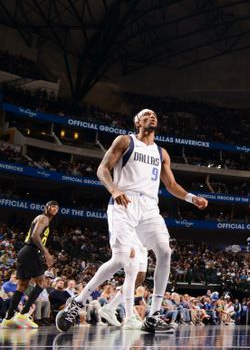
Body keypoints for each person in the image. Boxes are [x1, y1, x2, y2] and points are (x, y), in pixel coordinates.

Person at [56, 109, 208, 334]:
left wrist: (191, 198)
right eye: (146, 115)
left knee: (165, 252)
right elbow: (102, 169)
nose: (152, 116)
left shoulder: (161, 153)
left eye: (154, 115)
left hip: (149, 207)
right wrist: (114, 189)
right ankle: (78, 302)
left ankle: (153, 315)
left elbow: (171, 185)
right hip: (124, 202)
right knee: (120, 259)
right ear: (137, 122)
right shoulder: (125, 141)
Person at [1, 200, 59, 329]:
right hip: (31, 251)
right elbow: (34, 235)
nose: (54, 209)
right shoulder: (43, 218)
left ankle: (8, 318)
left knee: (22, 286)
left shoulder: (44, 219)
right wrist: (46, 253)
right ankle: (23, 315)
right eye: (52, 206)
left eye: (56, 207)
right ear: (47, 207)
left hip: (25, 252)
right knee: (42, 283)